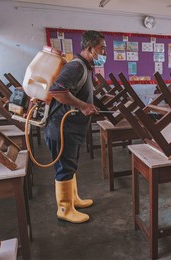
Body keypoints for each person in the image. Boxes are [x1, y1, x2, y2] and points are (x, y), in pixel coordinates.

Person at [44, 30, 106, 224]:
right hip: (62, 127)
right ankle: (64, 208)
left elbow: (81, 93)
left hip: (71, 128)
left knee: (70, 165)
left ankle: (73, 200)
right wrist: (83, 106)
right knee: (64, 167)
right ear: (89, 49)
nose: (104, 53)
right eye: (101, 49)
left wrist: (92, 105)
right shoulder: (77, 66)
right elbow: (57, 91)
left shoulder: (86, 67)